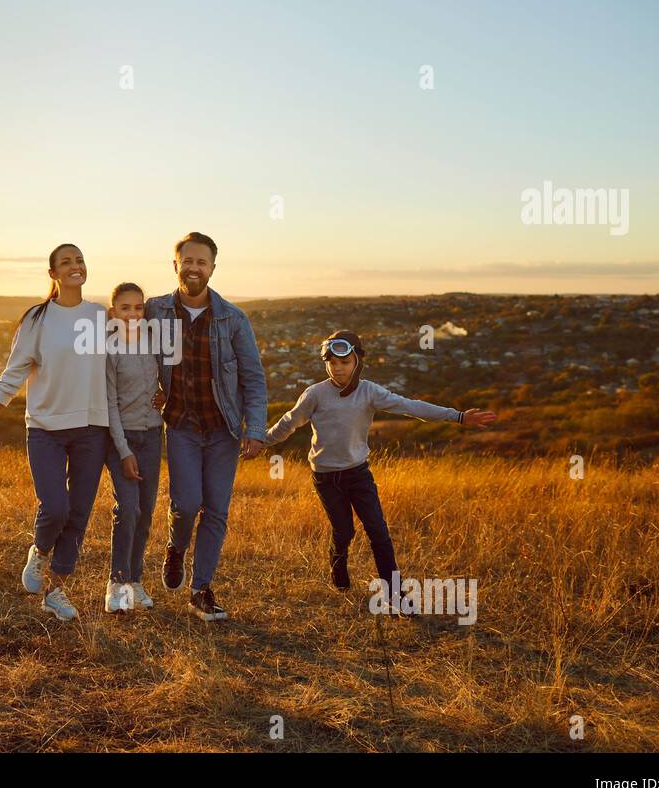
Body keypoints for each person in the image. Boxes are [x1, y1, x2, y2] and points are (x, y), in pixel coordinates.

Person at [262, 330, 496, 610]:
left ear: (357, 362)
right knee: (344, 532)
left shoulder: (369, 392)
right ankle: (338, 569)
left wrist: (457, 416)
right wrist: (260, 441)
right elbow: (289, 423)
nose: (338, 368)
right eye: (332, 363)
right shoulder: (315, 394)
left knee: (379, 533)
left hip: (358, 474)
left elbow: (410, 407)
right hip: (326, 478)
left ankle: (396, 597)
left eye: (345, 362)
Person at [0, 244, 108, 621]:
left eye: (80, 259)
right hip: (45, 429)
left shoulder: (100, 316)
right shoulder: (37, 320)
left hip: (92, 429)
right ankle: (40, 551)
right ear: (53, 274)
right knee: (56, 507)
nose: (75, 266)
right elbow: (12, 377)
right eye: (66, 262)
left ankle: (56, 591)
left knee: (79, 513)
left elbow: (124, 363)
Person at [145, 232, 268, 621]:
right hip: (180, 425)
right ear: (175, 264)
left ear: (213, 268)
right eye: (188, 260)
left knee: (215, 510)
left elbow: (253, 377)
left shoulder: (233, 318)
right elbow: (128, 353)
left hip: (223, 431)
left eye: (202, 262)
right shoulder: (155, 311)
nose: (194, 268)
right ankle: (175, 547)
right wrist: (148, 391)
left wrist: (255, 429)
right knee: (185, 505)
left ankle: (201, 589)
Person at [102, 282, 164, 613]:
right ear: (114, 313)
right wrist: (124, 450)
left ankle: (136, 580)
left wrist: (166, 395)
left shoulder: (154, 344)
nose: (133, 314)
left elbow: (167, 382)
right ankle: (118, 582)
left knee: (146, 512)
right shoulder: (109, 350)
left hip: (153, 435)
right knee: (128, 509)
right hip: (121, 438)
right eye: (125, 308)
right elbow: (109, 403)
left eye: (138, 308)